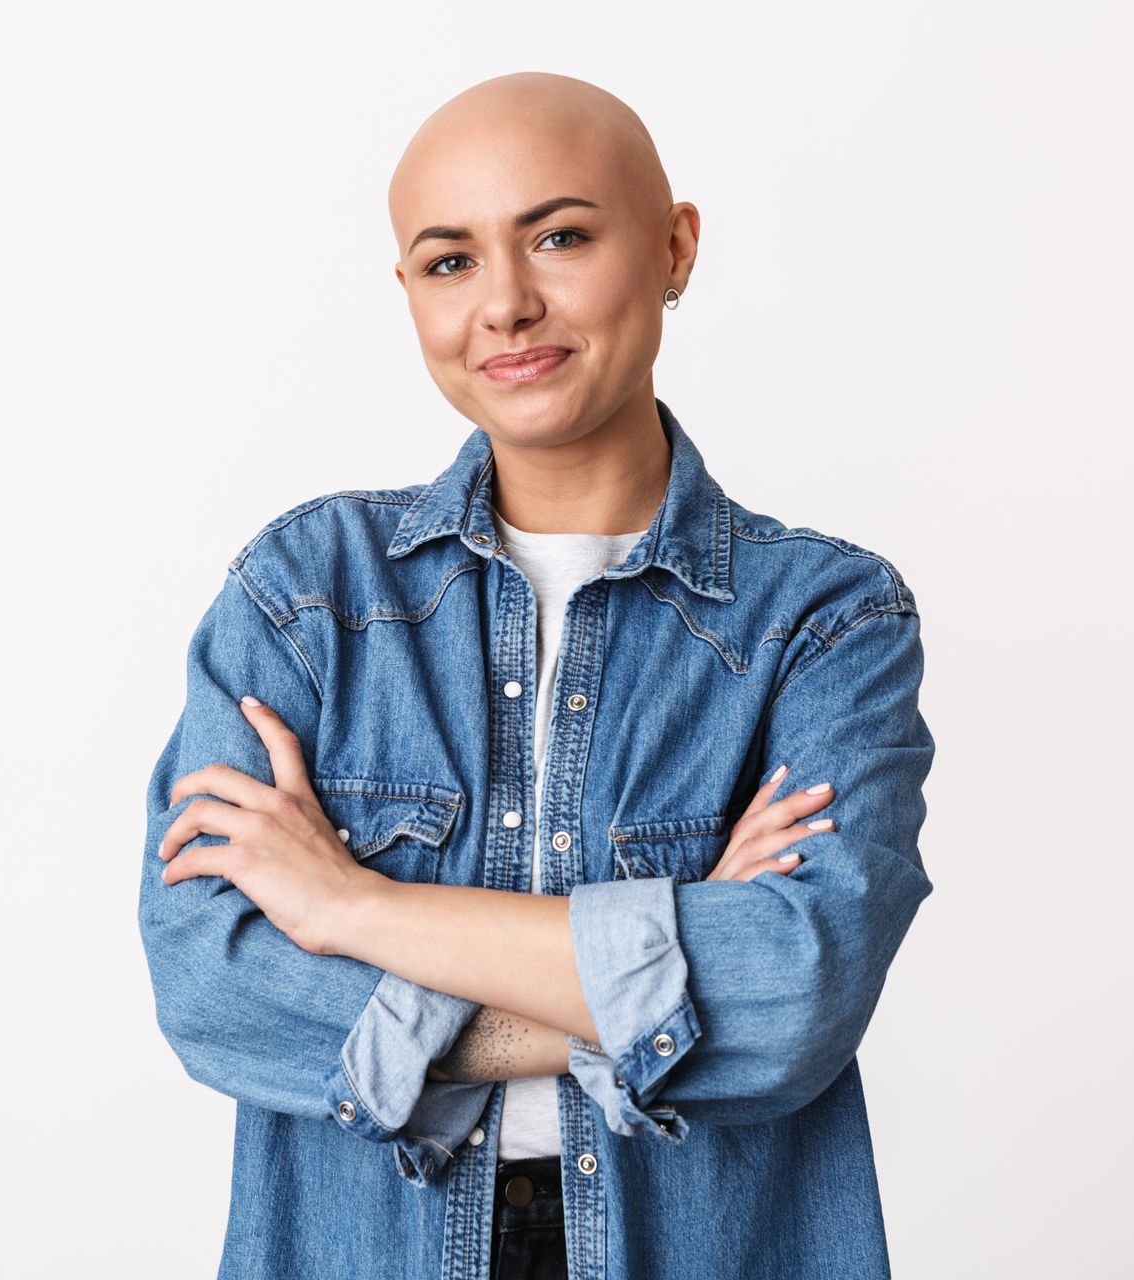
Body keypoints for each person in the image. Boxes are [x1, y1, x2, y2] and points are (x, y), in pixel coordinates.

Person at [138, 71, 937, 1280]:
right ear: (407, 292)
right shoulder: (305, 593)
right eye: (450, 261)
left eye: (561, 236)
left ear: (674, 249)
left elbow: (792, 996)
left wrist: (356, 907)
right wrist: (643, 989)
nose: (507, 304)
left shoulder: (822, 618)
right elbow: (214, 983)